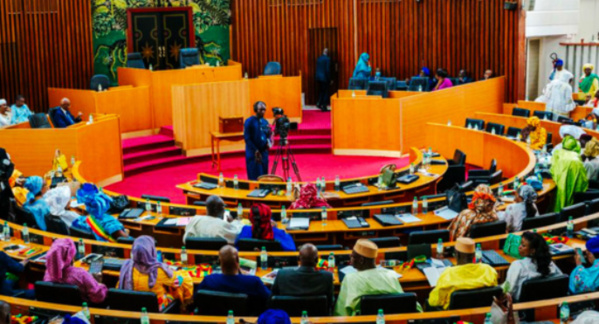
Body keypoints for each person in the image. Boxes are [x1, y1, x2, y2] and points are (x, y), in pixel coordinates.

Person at [335, 239, 414, 316]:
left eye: (352, 256)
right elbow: (404, 300)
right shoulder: (391, 275)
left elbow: (342, 313)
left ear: (361, 260)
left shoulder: (349, 278)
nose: (350, 258)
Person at [118, 236, 193, 311]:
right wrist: (180, 272)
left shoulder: (126, 266)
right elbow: (178, 279)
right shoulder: (158, 270)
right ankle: (186, 309)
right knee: (180, 283)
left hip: (133, 307)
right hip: (155, 308)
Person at [197, 246, 271, 315]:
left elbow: (197, 299)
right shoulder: (254, 281)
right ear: (238, 260)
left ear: (219, 262)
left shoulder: (208, 280)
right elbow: (270, 299)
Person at [428, 237, 498, 309]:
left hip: (453, 317)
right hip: (483, 314)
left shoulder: (448, 274)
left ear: (457, 255)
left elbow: (433, 302)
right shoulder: (489, 270)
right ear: (474, 255)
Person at [502, 231, 562, 301]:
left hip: (521, 306)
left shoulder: (517, 265)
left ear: (532, 250)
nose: (519, 247)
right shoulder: (549, 263)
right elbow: (560, 279)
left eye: (523, 245)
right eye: (520, 244)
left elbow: (508, 291)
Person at [44, 238, 108, 304]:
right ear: (70, 255)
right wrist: (98, 282)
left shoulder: (48, 273)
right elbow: (98, 298)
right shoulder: (81, 274)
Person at [272, 244, 334, 310]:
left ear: (298, 259)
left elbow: (272, 300)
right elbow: (330, 303)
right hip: (318, 316)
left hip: (289, 317)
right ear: (316, 260)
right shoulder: (327, 277)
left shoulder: (282, 274)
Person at [551, 136, 589, 211]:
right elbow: (583, 180)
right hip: (573, 194)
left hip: (558, 187)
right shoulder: (577, 158)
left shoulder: (557, 153)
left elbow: (552, 170)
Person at [244, 101, 271, 180]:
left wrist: (269, 142)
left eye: (264, 110)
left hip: (263, 152)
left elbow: (268, 135)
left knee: (264, 175)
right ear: (255, 110)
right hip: (253, 153)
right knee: (254, 176)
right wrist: (255, 150)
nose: (263, 112)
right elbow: (247, 138)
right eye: (260, 110)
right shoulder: (249, 121)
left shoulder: (265, 122)